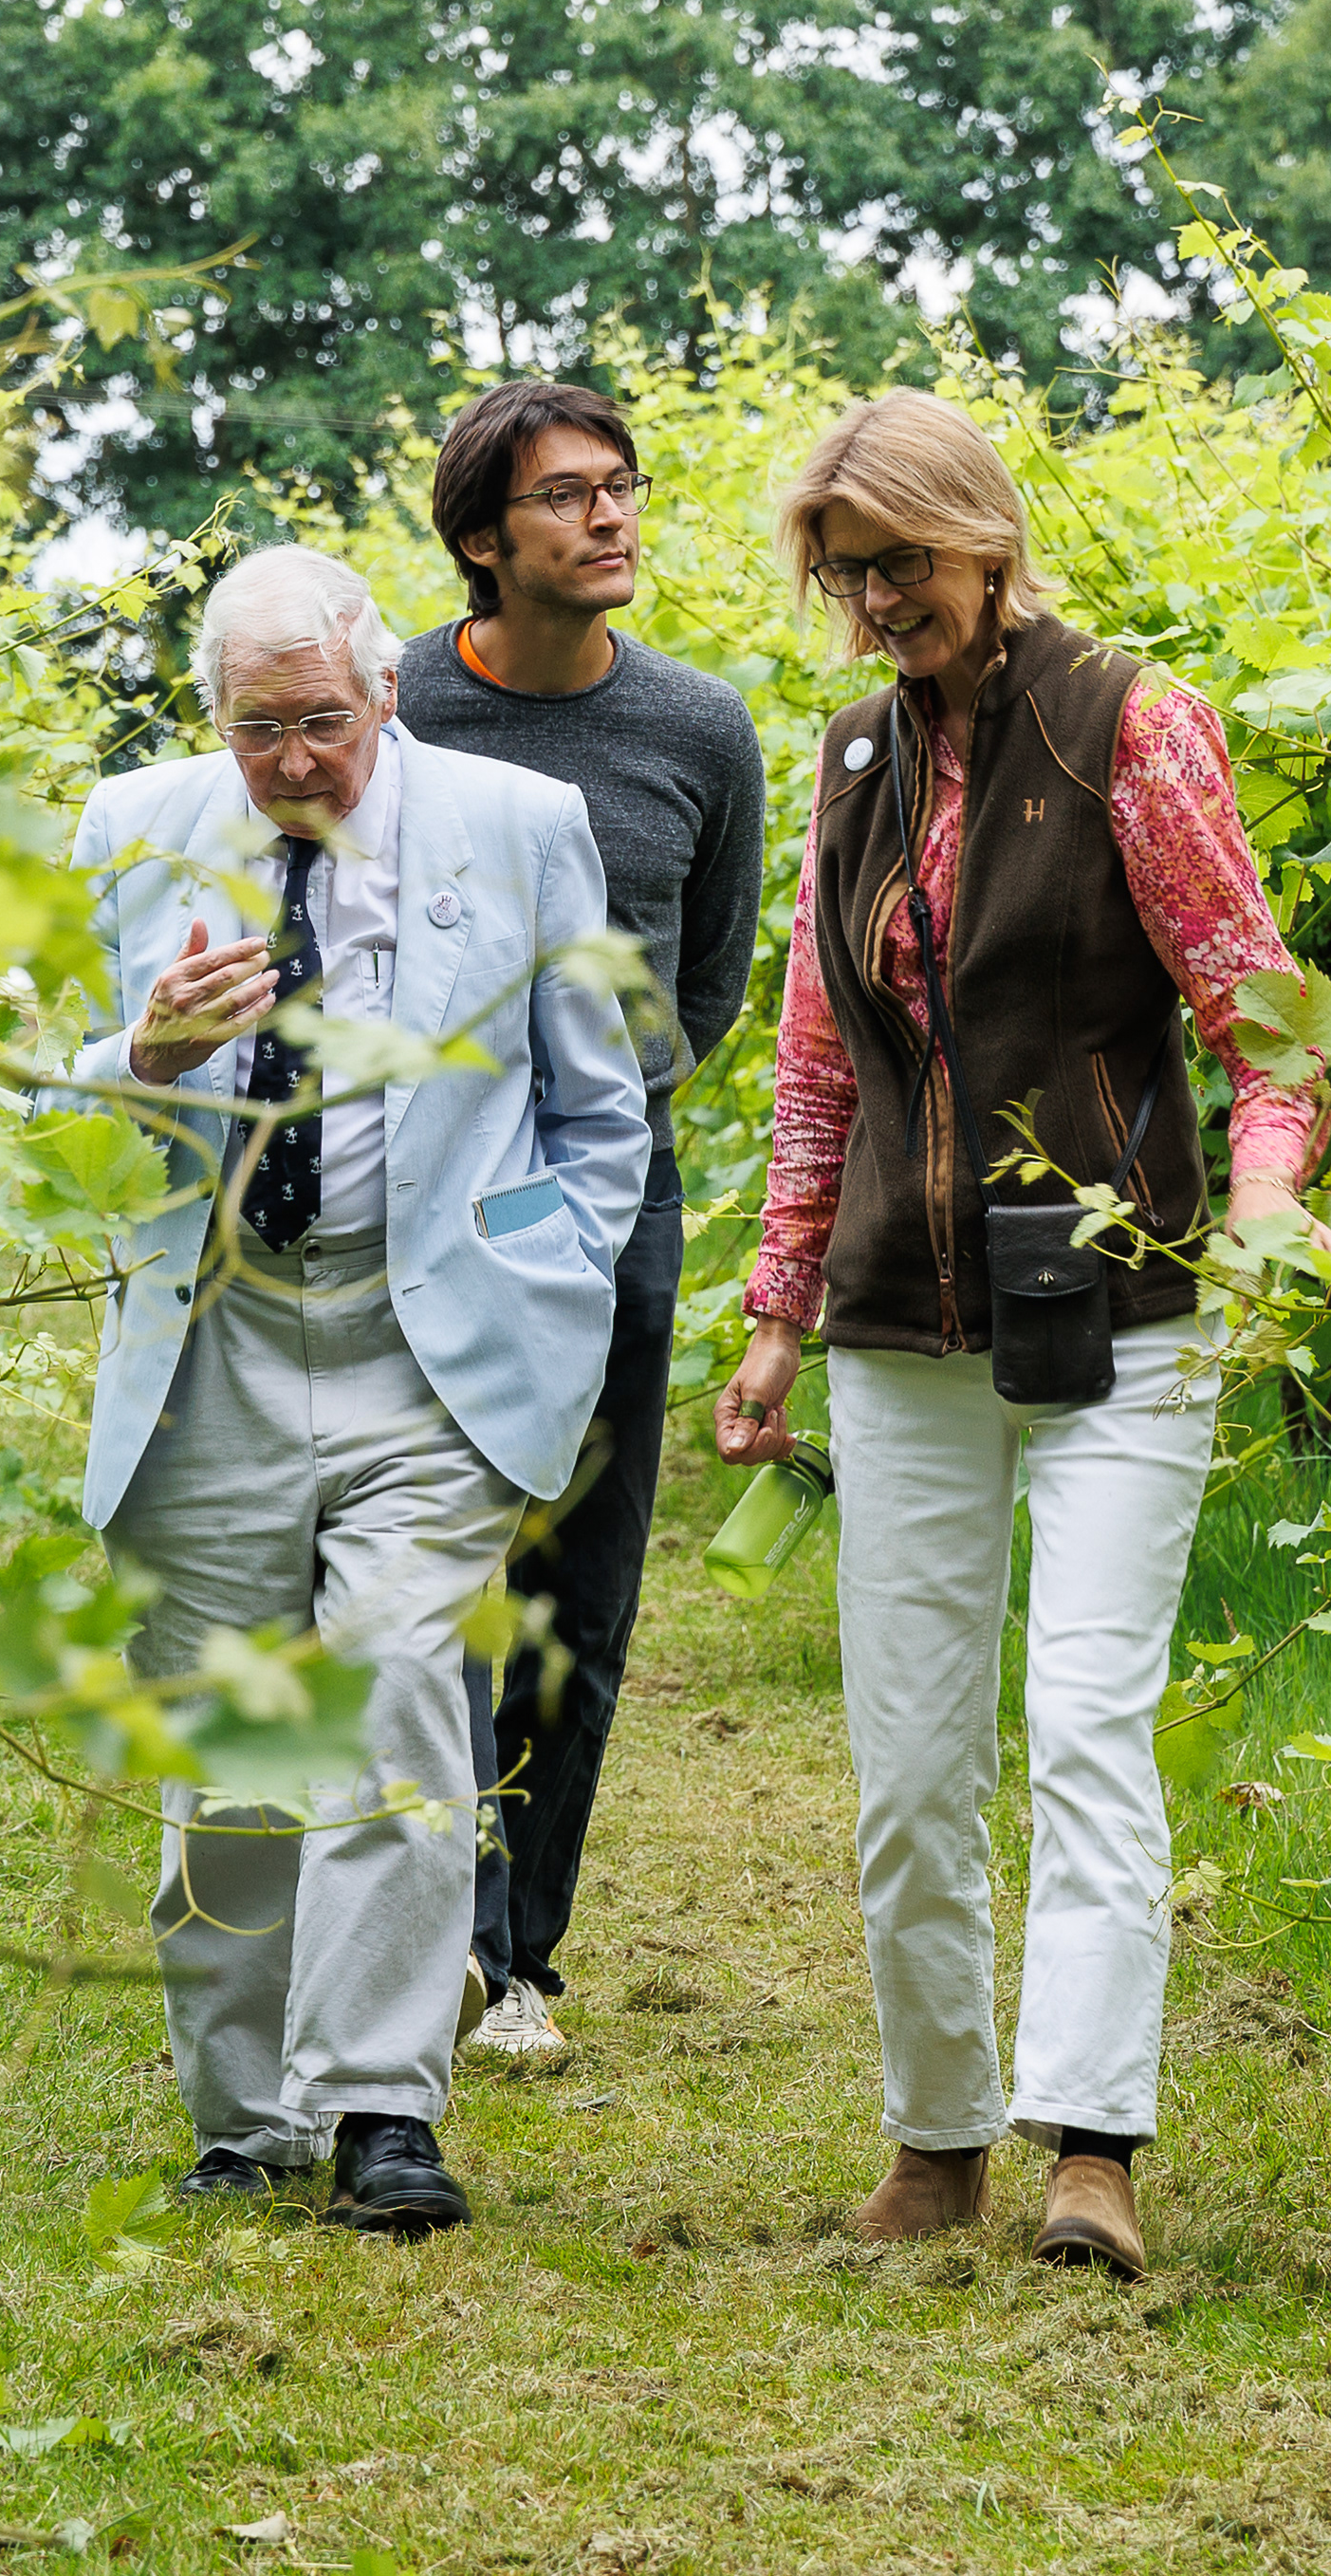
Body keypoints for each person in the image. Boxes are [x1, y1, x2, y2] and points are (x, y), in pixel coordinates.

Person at [712, 392, 1331, 2280]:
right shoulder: (846, 768)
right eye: (847, 573)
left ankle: (1094, 2145)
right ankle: (937, 2133)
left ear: (983, 539)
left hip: (1121, 1314)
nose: (877, 600)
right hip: (907, 1326)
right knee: (907, 1763)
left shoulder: (1130, 726)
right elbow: (821, 1060)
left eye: (900, 561)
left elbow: (1265, 1012)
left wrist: (1263, 1200)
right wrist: (774, 1309)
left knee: (1080, 1720)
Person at [65, 544, 650, 2234]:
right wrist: (144, 1059)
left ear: (382, 690)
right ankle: (244, 2113)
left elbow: (597, 1112)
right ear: (215, 723)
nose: (296, 764)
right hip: (215, 1340)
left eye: (322, 722)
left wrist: (538, 1284)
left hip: (426, 1343)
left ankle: (383, 2104)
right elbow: (46, 1101)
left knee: (397, 1694)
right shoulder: (128, 829)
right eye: (259, 733)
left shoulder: (518, 828)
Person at [394, 380, 768, 2064]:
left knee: (581, 1577)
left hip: (615, 1193)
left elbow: (709, 985)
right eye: (568, 497)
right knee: (433, 1552)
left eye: (621, 488)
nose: (610, 517)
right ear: (486, 541)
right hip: (422, 1186)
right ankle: (441, 1930)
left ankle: (521, 1949)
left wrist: (606, 1122)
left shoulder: (699, 730)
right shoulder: (397, 707)